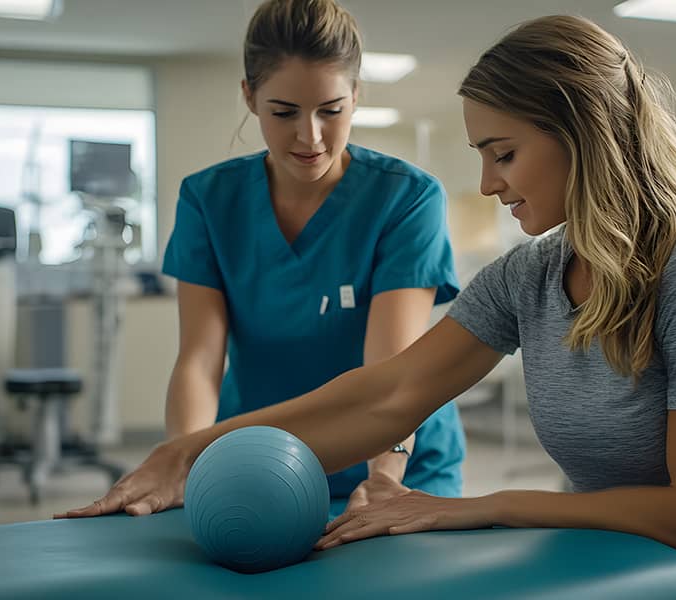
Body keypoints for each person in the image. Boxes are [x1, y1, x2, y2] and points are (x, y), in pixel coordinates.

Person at [58, 14, 676, 600]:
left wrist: (478, 508)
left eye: (504, 154)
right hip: (628, 562)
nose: (487, 184)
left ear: (587, 134)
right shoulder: (531, 275)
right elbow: (391, 391)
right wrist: (192, 449)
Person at [143, 0, 465, 515]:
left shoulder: (407, 199)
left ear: (356, 96)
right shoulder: (208, 200)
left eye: (331, 111)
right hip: (259, 457)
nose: (310, 136)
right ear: (249, 97)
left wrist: (383, 477)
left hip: (399, 461)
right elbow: (201, 360)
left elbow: (390, 370)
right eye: (284, 112)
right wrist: (186, 465)